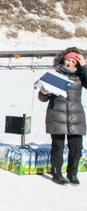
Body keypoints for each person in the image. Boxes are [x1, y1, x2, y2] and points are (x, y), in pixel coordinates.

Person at [38, 48, 87, 186]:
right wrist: (43, 92)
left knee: (76, 147)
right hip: (57, 114)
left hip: (75, 116)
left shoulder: (81, 75)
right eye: (68, 60)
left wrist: (84, 66)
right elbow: (43, 98)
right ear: (63, 60)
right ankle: (56, 173)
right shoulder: (55, 75)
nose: (70, 63)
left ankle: (72, 173)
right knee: (57, 147)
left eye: (73, 61)